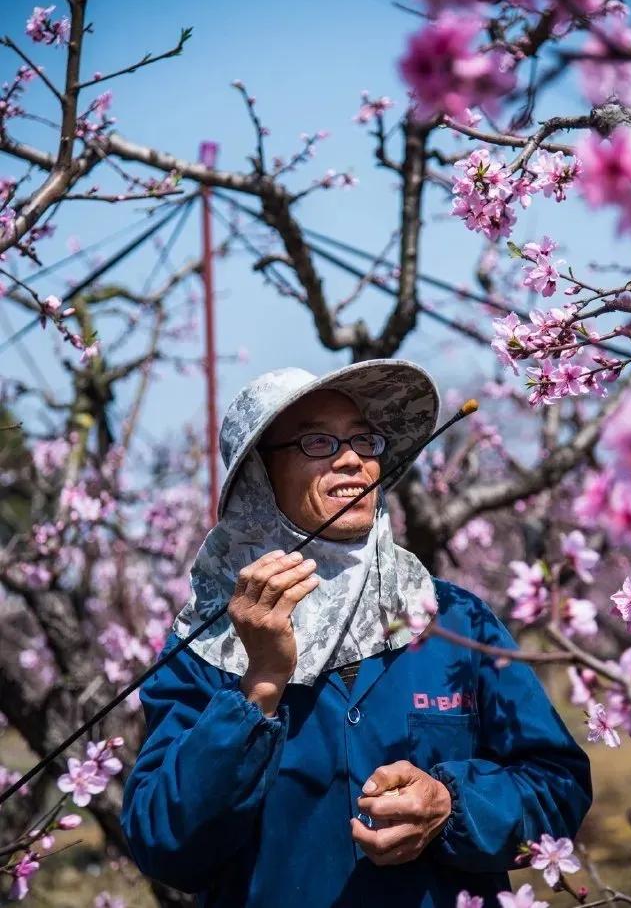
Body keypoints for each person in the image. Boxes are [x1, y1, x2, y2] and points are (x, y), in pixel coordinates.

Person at [120, 360, 592, 908]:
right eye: (317, 442)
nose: (352, 460)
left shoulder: (454, 621)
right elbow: (165, 844)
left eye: (364, 441)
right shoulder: (205, 645)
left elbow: (557, 785)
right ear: (259, 476)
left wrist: (451, 805)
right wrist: (260, 685)